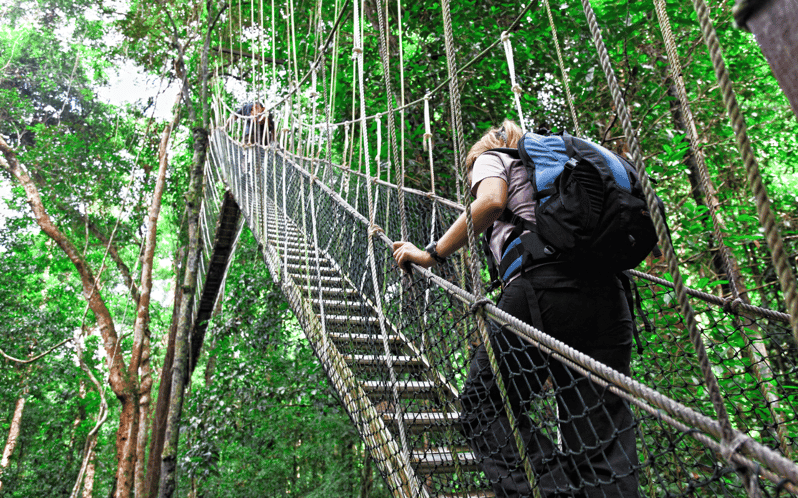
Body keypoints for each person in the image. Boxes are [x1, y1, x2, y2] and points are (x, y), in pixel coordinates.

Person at [392, 120, 640, 498]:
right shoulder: (562, 164)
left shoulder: (493, 157)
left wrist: (431, 254)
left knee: (482, 406)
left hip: (542, 287)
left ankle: (552, 492)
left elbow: (490, 202)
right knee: (600, 433)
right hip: (610, 294)